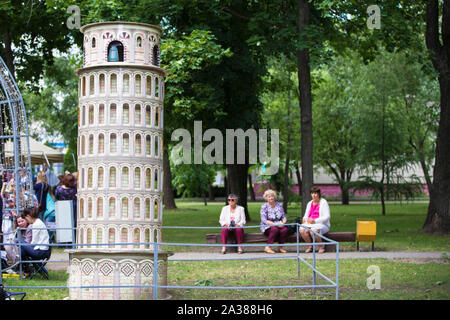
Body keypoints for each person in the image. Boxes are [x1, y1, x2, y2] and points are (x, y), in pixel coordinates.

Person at [299, 186, 331, 254]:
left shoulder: (323, 202)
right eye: (312, 193)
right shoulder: (309, 203)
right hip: (309, 224)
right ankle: (310, 246)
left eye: (315, 193)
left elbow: (327, 216)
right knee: (301, 229)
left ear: (319, 194)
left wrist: (315, 220)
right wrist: (304, 219)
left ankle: (321, 246)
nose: (314, 195)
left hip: (322, 224)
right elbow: (306, 215)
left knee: (313, 230)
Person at [19, 207, 50, 275]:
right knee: (21, 247)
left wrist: (26, 246)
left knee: (19, 242)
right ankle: (26, 269)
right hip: (43, 249)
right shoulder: (38, 222)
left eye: (26, 219)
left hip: (40, 251)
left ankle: (25, 269)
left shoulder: (36, 224)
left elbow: (34, 242)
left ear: (28, 216)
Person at [260, 189, 289, 254]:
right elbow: (264, 220)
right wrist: (275, 224)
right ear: (266, 198)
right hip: (267, 226)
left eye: (272, 196)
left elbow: (283, 216)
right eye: (269, 196)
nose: (271, 198)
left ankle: (280, 247)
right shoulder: (264, 206)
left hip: (279, 224)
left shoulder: (279, 205)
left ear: (274, 197)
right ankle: (268, 247)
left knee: (284, 230)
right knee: (275, 229)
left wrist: (283, 222)